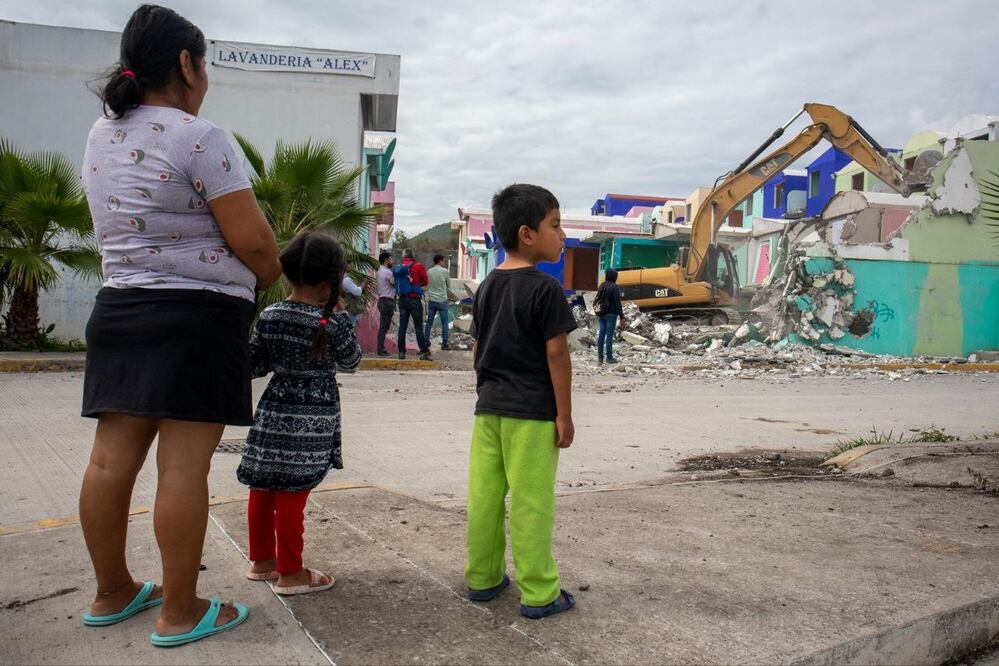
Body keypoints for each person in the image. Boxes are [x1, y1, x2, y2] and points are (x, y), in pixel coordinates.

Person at [78, 4, 282, 647]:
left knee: (111, 462)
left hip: (120, 308)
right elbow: (251, 240)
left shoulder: (99, 134)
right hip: (198, 316)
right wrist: (270, 273)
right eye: (206, 64)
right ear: (187, 64)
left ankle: (112, 592)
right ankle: (181, 610)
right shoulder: (201, 136)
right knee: (182, 470)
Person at [464, 183, 577, 620]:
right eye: (555, 224)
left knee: (485, 496)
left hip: (488, 408)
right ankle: (540, 593)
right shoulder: (545, 290)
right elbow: (557, 353)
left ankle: (483, 578)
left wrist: (487, 388)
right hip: (531, 414)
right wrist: (563, 415)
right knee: (531, 502)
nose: (562, 234)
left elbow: (477, 349)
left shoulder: (488, 285)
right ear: (527, 234)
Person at [238, 231, 361, 596]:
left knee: (264, 483)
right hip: (313, 415)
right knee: (294, 488)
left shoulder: (271, 314)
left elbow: (255, 364)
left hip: (274, 408)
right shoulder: (329, 321)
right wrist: (339, 316)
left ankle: (262, 562)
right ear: (332, 279)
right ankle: (291, 572)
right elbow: (352, 361)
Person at [396, 248, 431, 361]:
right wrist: (416, 285)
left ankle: (401, 352)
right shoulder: (418, 266)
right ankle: (424, 351)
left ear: (404, 256)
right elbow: (425, 281)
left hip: (402, 299)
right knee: (418, 327)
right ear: (413, 255)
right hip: (414, 300)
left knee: (402, 326)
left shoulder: (400, 267)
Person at [595, 268, 624, 364]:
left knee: (601, 336)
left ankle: (600, 358)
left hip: (601, 313)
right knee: (609, 336)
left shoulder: (601, 286)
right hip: (611, 315)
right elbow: (617, 303)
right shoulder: (614, 287)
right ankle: (609, 357)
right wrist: (622, 316)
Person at [424, 254, 452, 350]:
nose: (444, 263)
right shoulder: (445, 271)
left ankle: (426, 341)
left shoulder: (429, 271)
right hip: (442, 300)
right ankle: (445, 344)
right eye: (443, 261)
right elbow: (449, 286)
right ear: (440, 261)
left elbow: (427, 285)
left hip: (431, 300)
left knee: (429, 322)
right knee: (445, 323)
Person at [375, 251, 395, 357]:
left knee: (384, 326)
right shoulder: (387, 272)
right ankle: (381, 350)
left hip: (383, 300)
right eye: (391, 259)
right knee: (383, 327)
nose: (392, 261)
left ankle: (381, 349)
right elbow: (395, 282)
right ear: (386, 260)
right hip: (387, 301)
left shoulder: (380, 271)